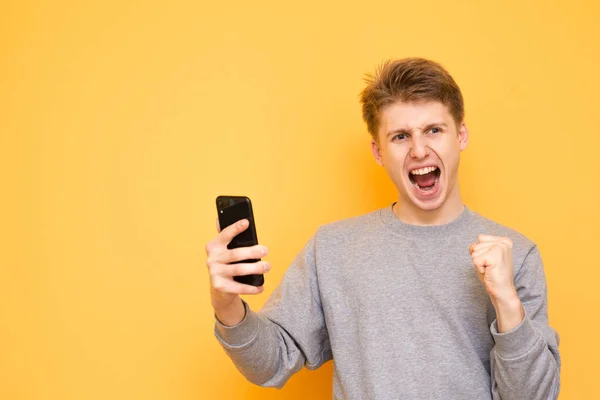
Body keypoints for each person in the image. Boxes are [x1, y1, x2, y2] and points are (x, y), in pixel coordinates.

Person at [205, 58, 561, 399]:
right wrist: (226, 304)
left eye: (434, 130)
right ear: (378, 151)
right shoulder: (331, 249)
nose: (419, 150)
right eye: (400, 137)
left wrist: (507, 303)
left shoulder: (516, 254)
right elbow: (269, 364)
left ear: (461, 136)